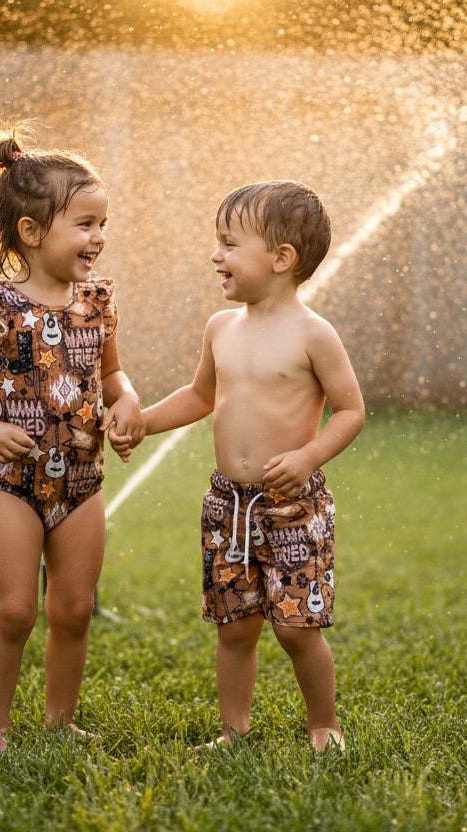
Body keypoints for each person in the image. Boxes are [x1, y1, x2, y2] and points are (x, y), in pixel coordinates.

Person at [137, 180, 365, 752]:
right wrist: (142, 422)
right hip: (227, 504)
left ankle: (324, 724)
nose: (216, 255)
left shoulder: (314, 335)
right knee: (235, 627)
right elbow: (198, 396)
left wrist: (309, 455)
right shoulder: (221, 328)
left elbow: (351, 411)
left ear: (281, 259)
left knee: (294, 627)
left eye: (229, 244)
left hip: (290, 505)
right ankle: (233, 733)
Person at [0, 122, 144, 751]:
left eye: (102, 223)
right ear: (31, 233)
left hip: (81, 483)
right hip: (11, 486)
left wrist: (128, 401)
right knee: (15, 610)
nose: (98, 237)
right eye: (84, 224)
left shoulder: (98, 302)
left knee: (73, 610)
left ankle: (60, 721)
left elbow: (111, 374)